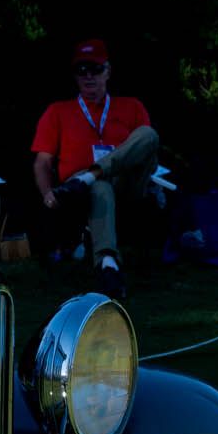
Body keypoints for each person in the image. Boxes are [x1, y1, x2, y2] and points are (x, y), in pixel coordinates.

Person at [30, 37, 159, 299]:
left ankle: (91, 175)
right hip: (79, 193)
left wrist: (95, 172)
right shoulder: (58, 111)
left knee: (148, 134)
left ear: (108, 71)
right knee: (99, 187)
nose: (89, 77)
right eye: (82, 71)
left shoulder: (131, 106)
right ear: (75, 76)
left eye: (96, 69)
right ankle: (108, 265)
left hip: (126, 183)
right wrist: (47, 194)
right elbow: (42, 162)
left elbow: (146, 149)